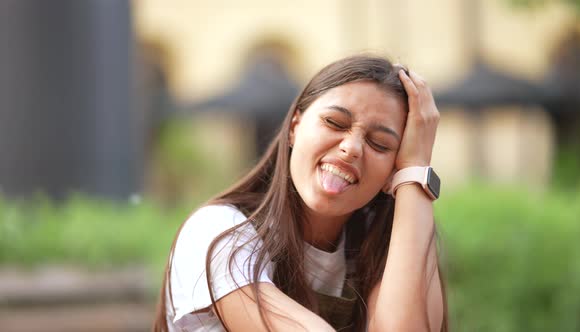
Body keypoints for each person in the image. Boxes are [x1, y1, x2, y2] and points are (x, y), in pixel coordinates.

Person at [152, 54, 448, 332]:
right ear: (294, 126)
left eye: (380, 144)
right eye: (335, 123)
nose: (351, 148)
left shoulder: (383, 245)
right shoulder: (218, 232)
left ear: (391, 174)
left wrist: (415, 170)